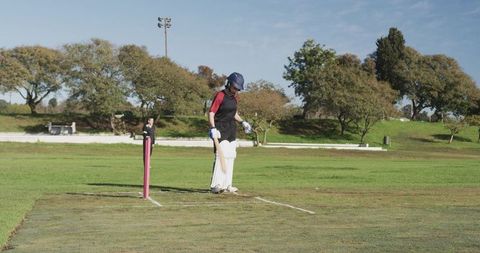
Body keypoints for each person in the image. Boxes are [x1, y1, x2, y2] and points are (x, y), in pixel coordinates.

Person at [208, 72, 252, 194]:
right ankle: (216, 185)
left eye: (238, 88)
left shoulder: (235, 97)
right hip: (219, 129)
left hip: (231, 129)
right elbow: (211, 112)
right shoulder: (220, 95)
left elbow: (234, 114)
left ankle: (227, 185)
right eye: (235, 87)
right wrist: (212, 128)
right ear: (229, 84)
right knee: (220, 155)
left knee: (231, 155)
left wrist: (243, 122)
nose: (236, 90)